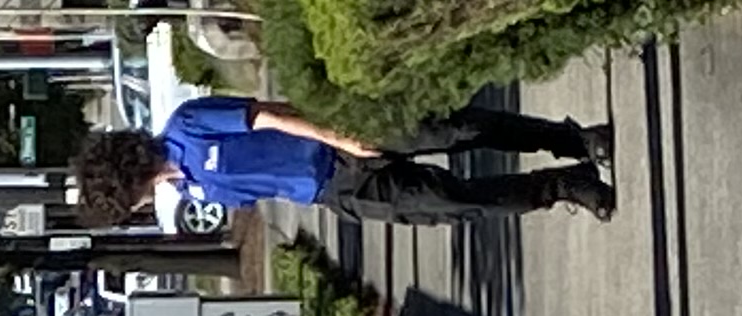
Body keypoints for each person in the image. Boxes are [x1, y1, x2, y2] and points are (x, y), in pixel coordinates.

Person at [71, 94, 614, 228]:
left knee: (459, 129)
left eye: (128, 200)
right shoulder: (193, 192)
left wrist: (343, 137)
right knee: (452, 203)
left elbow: (269, 115)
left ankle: (571, 138)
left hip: (338, 139)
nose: (138, 206)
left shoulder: (185, 126)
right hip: (336, 191)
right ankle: (566, 185)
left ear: (128, 176)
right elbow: (266, 189)